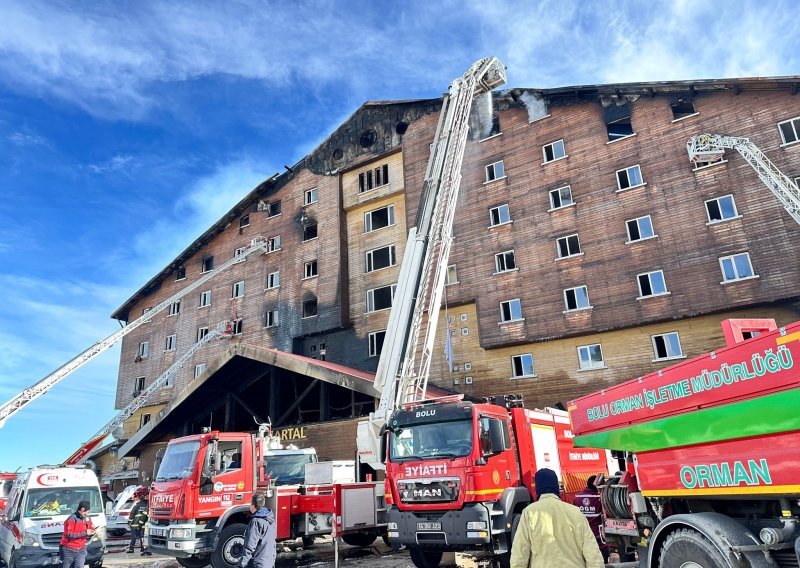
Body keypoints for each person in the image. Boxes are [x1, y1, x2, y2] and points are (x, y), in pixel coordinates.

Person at [510, 468, 604, 568]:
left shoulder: (529, 513)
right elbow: (593, 556)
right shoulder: (576, 512)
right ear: (556, 488)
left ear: (537, 490)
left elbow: (519, 556)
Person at [573, 475, 609, 563]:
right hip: (597, 534)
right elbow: (606, 514)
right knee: (601, 558)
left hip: (582, 534)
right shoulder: (599, 498)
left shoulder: (577, 498)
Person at [238, 492, 276, 568]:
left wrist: (241, 565)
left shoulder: (256, 521)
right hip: (269, 562)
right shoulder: (270, 518)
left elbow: (250, 546)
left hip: (259, 563)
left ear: (253, 506)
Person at [60, 500, 95, 568]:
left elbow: (91, 527)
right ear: (82, 509)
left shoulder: (87, 518)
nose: (87, 513)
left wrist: (92, 532)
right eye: (86, 511)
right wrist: (85, 533)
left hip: (81, 549)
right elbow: (69, 535)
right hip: (68, 549)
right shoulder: (71, 519)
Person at [127, 489, 152, 555]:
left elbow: (131, 516)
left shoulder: (136, 506)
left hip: (134, 525)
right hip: (144, 525)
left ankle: (131, 548)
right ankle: (142, 548)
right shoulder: (147, 506)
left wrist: (129, 523)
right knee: (142, 537)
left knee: (134, 538)